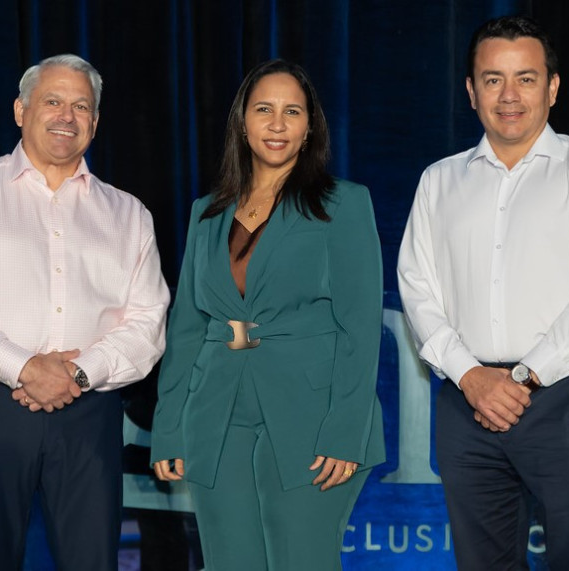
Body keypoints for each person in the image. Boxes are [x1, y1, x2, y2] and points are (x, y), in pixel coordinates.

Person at [0, 54, 170, 571]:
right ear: (19, 110)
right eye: (52, 101)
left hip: (91, 415)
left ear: (95, 122)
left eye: (81, 105)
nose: (66, 116)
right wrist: (25, 366)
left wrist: (75, 373)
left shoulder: (128, 214)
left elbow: (147, 324)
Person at [397, 15, 569, 571]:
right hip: (465, 401)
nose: (509, 96)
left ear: (552, 88)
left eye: (526, 78)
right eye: (493, 79)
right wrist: (472, 377)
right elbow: (417, 288)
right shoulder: (439, 180)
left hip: (563, 398)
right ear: (471, 90)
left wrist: (524, 377)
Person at [150, 58, 384, 571]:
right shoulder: (205, 212)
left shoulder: (343, 205)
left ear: (309, 128)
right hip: (216, 416)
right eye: (264, 110)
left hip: (312, 418)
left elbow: (361, 329)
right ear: (243, 121)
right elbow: (187, 327)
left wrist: (345, 431)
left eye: (291, 112)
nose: (277, 124)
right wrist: (168, 426)